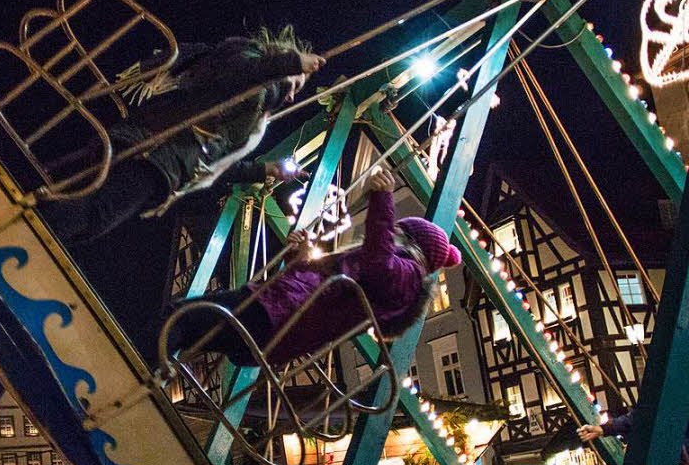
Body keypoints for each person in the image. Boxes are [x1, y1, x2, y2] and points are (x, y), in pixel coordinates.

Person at [40, 27, 324, 243]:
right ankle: (33, 232)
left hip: (166, 162)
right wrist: (292, 64)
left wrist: (263, 170)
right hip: (152, 146)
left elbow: (210, 164)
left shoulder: (252, 113)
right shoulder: (246, 62)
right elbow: (238, 77)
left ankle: (38, 230)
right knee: (94, 210)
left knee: (93, 217)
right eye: (295, 85)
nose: (291, 96)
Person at [164, 166, 462, 367]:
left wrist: (383, 200)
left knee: (179, 318)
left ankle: (140, 357)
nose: (390, 232)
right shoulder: (394, 285)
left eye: (397, 231)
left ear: (410, 241)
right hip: (276, 326)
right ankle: (151, 362)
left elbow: (378, 262)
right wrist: (301, 257)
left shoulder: (406, 276)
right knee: (189, 328)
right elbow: (320, 291)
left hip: (272, 314)